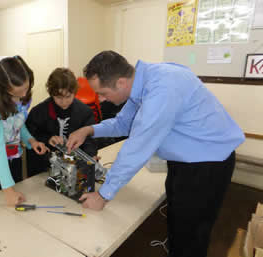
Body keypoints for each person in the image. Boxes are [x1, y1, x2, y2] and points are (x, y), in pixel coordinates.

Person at [66, 51, 245, 257]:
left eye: (103, 93)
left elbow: (137, 147)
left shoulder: (162, 89)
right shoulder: (143, 82)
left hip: (207, 164)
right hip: (187, 161)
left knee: (191, 235)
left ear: (121, 82)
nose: (101, 99)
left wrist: (103, 195)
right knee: (177, 222)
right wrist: (90, 130)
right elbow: (125, 123)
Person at [0, 56, 48, 206]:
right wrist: (7, 189)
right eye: (19, 91)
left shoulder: (22, 95)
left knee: (15, 212)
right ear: (3, 89)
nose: (25, 95)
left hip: (13, 158)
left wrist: (30, 140)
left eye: (27, 88)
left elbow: (17, 123)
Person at [25, 67, 98, 177]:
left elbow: (90, 139)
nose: (64, 102)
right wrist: (47, 138)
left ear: (75, 92)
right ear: (51, 94)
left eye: (68, 96)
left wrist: (91, 155)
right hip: (44, 169)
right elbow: (29, 133)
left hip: (75, 169)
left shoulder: (85, 112)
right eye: (59, 97)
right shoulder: (39, 111)